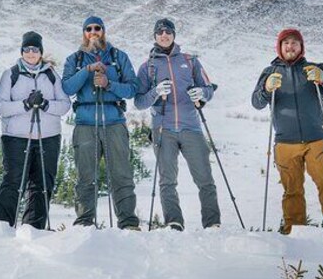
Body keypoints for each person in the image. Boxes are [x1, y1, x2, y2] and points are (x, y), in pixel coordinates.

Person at [251, 28, 323, 242]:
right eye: (286, 43)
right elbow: (257, 102)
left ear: (301, 47)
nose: (290, 46)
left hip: (315, 139)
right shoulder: (269, 72)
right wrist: (267, 89)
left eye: (295, 43)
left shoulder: (313, 69)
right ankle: (294, 228)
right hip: (284, 142)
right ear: (279, 47)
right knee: (292, 189)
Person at [134, 18, 220, 231]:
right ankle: (174, 222)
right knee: (167, 180)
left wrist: (202, 93)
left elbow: (208, 88)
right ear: (154, 36)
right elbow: (139, 102)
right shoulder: (148, 67)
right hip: (163, 129)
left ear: (174, 34)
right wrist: (155, 92)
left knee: (205, 178)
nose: (164, 35)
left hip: (191, 126)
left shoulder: (190, 61)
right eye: (160, 32)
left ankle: (212, 223)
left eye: (168, 31)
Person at [61, 16, 140, 230]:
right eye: (88, 28)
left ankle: (128, 222)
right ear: (84, 32)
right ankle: (84, 222)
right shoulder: (74, 59)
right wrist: (86, 71)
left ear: (103, 31)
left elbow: (133, 88)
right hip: (85, 123)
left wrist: (109, 84)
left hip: (114, 121)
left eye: (97, 28)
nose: (93, 32)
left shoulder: (118, 57)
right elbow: (67, 88)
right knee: (86, 175)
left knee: (121, 174)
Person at [0, 31, 71, 229]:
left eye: (35, 49)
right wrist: (25, 104)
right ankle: (1, 227)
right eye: (27, 49)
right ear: (22, 51)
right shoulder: (11, 74)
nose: (31, 53)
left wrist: (44, 104)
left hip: (48, 137)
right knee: (13, 181)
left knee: (42, 184)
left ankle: (33, 229)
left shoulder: (51, 75)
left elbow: (64, 105)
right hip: (16, 137)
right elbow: (1, 106)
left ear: (41, 52)